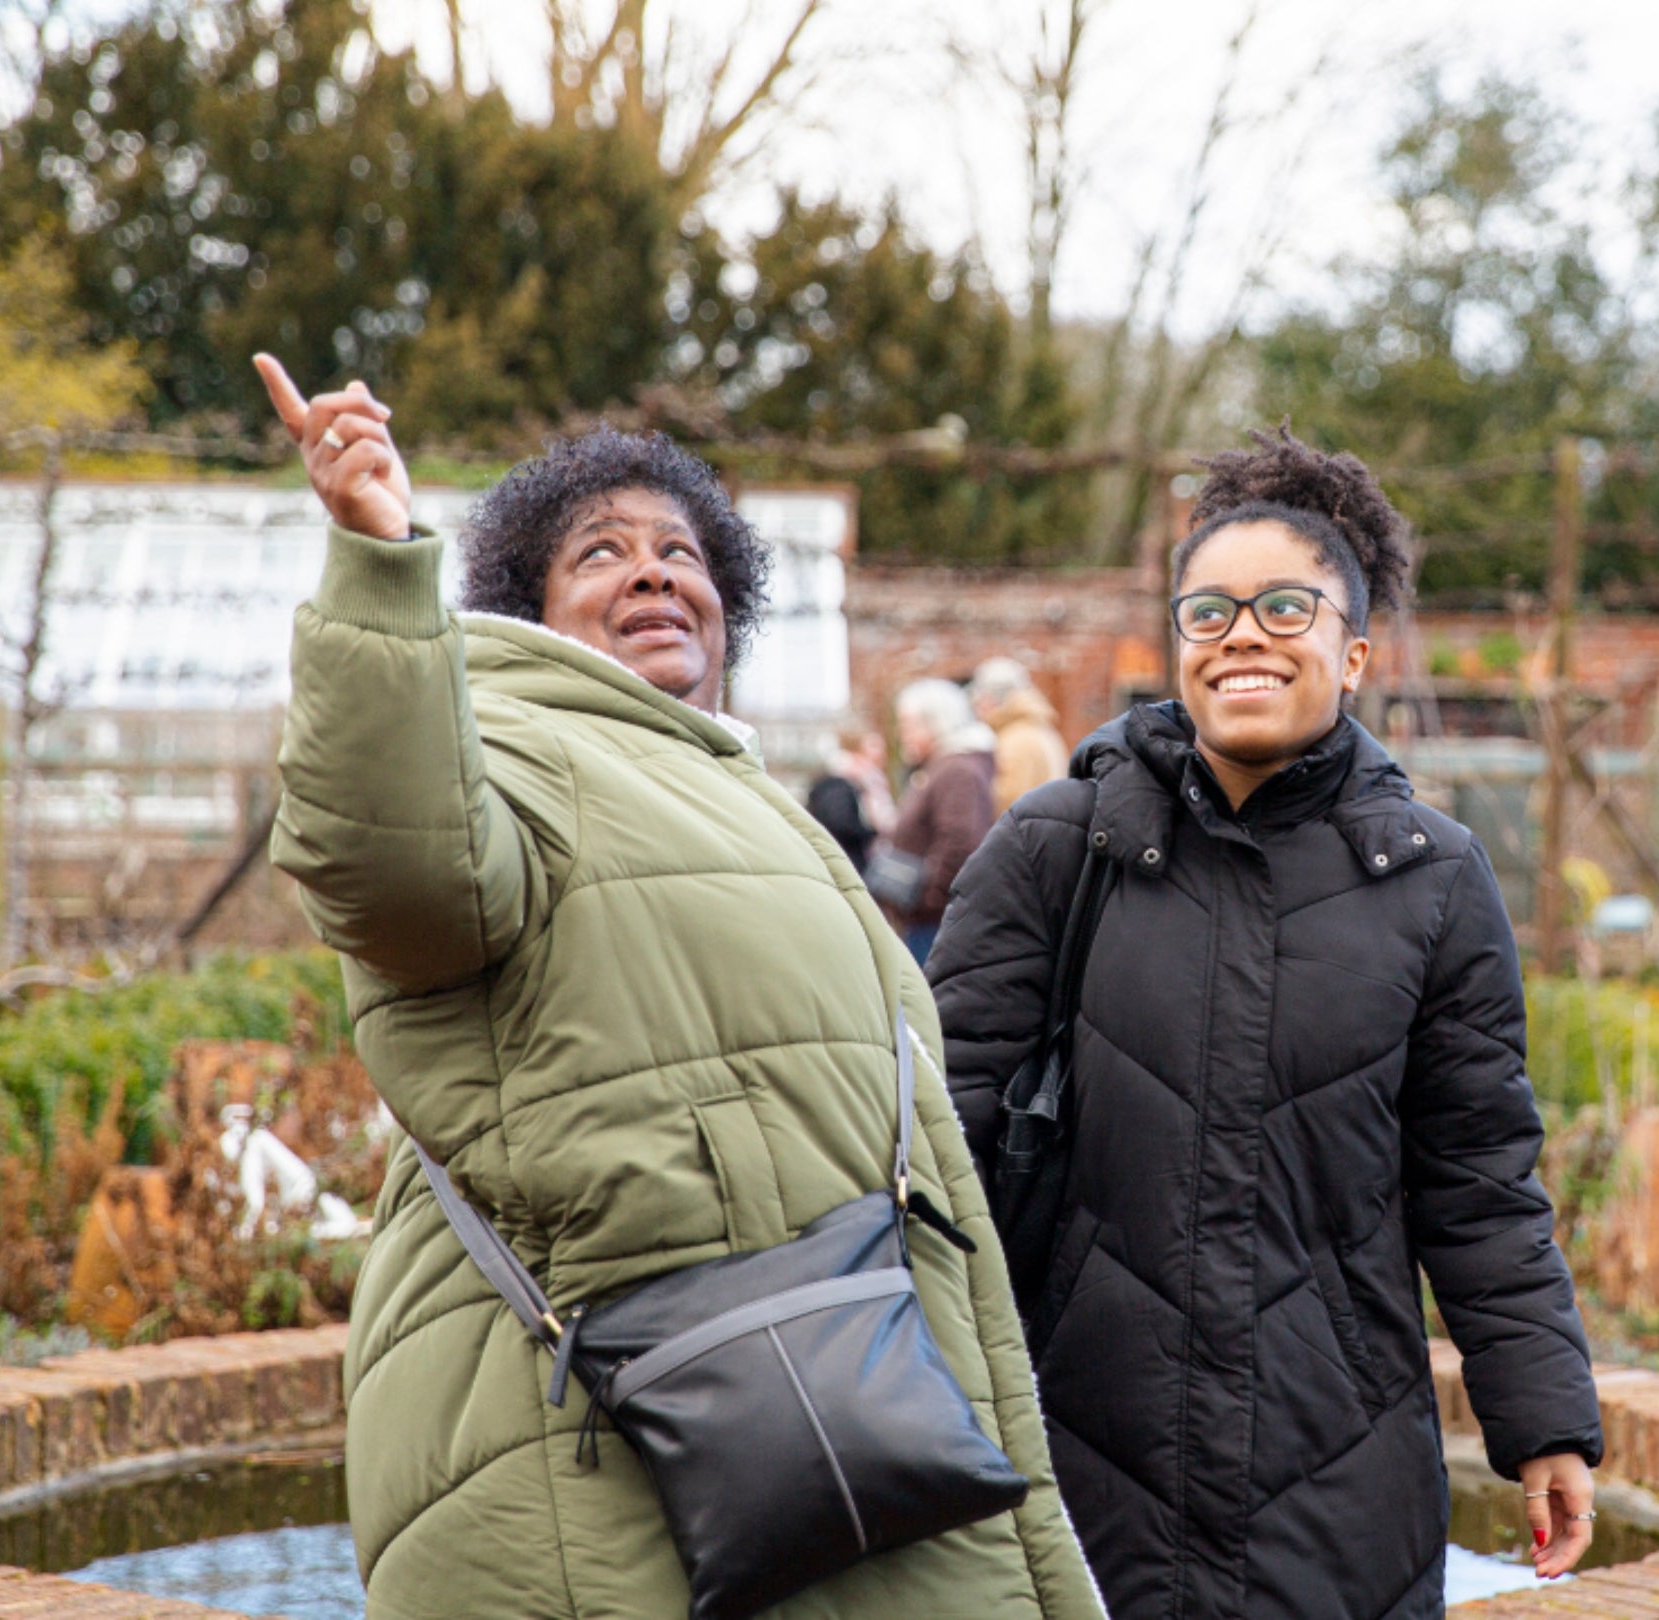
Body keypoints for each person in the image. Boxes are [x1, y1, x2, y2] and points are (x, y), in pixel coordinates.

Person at [249, 355, 1100, 1620]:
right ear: (530, 613)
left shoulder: (737, 790)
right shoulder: (517, 749)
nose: (653, 569)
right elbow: (396, 869)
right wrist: (381, 564)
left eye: (681, 551)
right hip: (600, 1467)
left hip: (815, 1419)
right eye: (598, 553)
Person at [930, 428, 1603, 1620]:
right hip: (1080, 1445)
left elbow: (1481, 1181)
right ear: (1178, 650)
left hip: (1336, 1461)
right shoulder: (1053, 848)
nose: (1245, 632)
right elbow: (942, 1144)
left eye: (1286, 607)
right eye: (1212, 611)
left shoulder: (1435, 882)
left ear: (1353, 654)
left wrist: (1543, 1419)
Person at [873, 679, 997, 962]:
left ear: (935, 723)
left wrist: (924, 901)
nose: (901, 734)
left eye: (907, 725)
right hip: (930, 919)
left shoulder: (956, 771)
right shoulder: (945, 766)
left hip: (935, 924)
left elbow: (960, 844)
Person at [971, 657, 1070, 815]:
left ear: (990, 699)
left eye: (979, 700)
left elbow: (1008, 801)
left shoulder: (1015, 740)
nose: (977, 709)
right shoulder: (1041, 729)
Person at [807, 726, 895, 870]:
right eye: (873, 746)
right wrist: (871, 834)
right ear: (856, 750)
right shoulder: (841, 782)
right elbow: (841, 823)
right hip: (848, 863)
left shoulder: (874, 782)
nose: (881, 753)